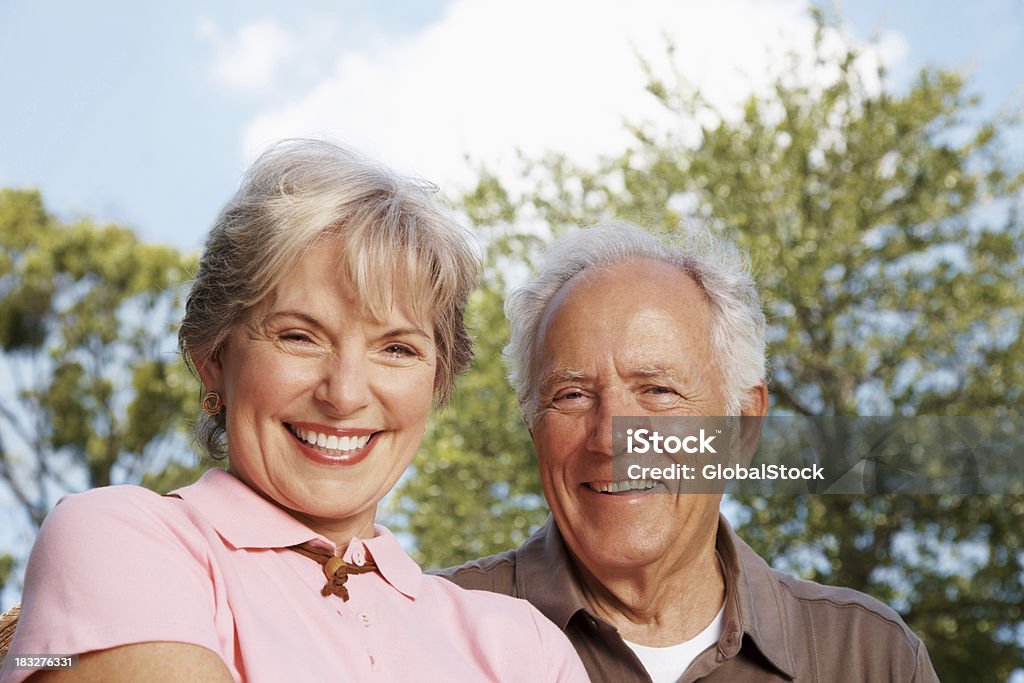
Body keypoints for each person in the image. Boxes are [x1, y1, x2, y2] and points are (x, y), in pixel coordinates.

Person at [1, 140, 588, 683]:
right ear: (212, 356)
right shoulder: (116, 538)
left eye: (397, 349)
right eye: (300, 337)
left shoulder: (527, 646)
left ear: (437, 383)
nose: (346, 393)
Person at [441, 222, 939, 682]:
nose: (613, 436)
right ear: (534, 426)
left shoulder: (871, 657)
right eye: (571, 395)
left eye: (657, 391)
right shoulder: (428, 632)